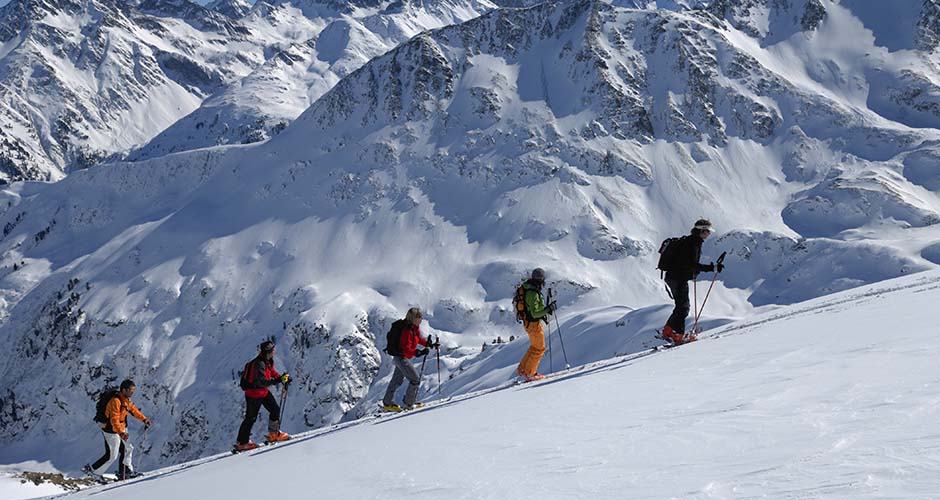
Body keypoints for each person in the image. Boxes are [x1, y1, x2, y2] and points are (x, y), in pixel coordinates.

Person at [661, 218, 724, 344]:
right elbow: (691, 264)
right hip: (678, 278)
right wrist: (711, 268)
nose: (709, 234)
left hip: (674, 277)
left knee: (681, 306)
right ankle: (677, 335)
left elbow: (687, 263)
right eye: (708, 231)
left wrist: (694, 270)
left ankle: (670, 331)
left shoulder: (690, 241)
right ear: (702, 231)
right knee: (683, 307)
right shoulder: (693, 243)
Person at [84, 379, 151, 481]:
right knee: (112, 455)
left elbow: (133, 410)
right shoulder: (116, 401)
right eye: (131, 390)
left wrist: (144, 419)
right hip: (111, 430)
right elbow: (114, 420)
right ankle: (93, 471)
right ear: (124, 390)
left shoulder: (126, 400)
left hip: (121, 428)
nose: (132, 393)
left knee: (128, 448)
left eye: (133, 390)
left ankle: (125, 472)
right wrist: (121, 433)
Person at [234, 340, 291, 452]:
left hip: (262, 392)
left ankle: (274, 434)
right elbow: (261, 382)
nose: (275, 350)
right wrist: (277, 380)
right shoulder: (259, 364)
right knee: (250, 418)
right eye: (273, 349)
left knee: (274, 409)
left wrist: (281, 378)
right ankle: (242, 443)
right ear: (269, 351)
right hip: (254, 394)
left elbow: (272, 372)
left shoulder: (267, 361)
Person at [382, 307, 438, 411]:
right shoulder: (406, 330)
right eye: (419, 317)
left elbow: (418, 339)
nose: (421, 319)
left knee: (396, 380)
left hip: (401, 357)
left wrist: (428, 344)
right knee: (415, 379)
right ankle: (409, 403)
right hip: (401, 358)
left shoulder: (414, 328)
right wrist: (418, 352)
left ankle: (387, 403)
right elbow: (405, 349)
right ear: (413, 318)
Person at [516, 268, 555, 382]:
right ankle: (530, 373)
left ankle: (523, 369)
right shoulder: (532, 293)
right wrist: (547, 309)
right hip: (533, 324)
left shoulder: (529, 288)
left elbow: (532, 310)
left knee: (534, 347)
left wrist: (545, 311)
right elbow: (534, 313)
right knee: (539, 349)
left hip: (529, 323)